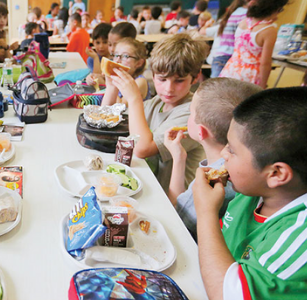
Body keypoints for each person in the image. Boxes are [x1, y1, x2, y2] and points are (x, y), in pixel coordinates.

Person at [193, 87, 307, 300]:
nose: (223, 154)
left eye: (232, 150)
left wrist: (206, 212)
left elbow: (228, 294)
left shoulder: (300, 238)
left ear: (276, 173)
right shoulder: (251, 190)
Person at [102, 34, 207, 192]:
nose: (168, 88)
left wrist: (134, 98)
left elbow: (142, 149)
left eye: (179, 81)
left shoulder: (193, 112)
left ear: (195, 78)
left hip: (175, 204)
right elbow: (107, 121)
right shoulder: (156, 103)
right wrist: (111, 87)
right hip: (152, 187)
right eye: (162, 79)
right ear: (153, 75)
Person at [164, 78, 262, 240]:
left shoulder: (214, 178)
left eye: (190, 112)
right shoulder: (244, 168)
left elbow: (176, 216)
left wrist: (177, 160)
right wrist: (179, 157)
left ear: (201, 132)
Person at [219, 0, 287, 88]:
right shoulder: (269, 30)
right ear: (274, 9)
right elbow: (265, 62)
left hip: (231, 69)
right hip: (250, 74)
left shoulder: (244, 22)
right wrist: (262, 86)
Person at [102, 38, 150, 104]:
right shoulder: (118, 80)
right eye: (116, 55)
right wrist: (110, 85)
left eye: (125, 56)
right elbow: (105, 109)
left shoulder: (140, 81)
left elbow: (122, 106)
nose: (117, 60)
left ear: (139, 63)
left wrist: (110, 87)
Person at [210, 0, 249, 78]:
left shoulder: (234, 13)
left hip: (220, 56)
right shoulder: (246, 14)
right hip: (231, 57)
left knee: (216, 88)